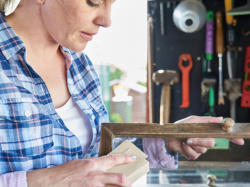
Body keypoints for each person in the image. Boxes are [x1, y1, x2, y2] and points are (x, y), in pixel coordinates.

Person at [0, 0, 244, 187]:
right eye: (94, 1)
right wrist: (46, 180)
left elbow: (97, 163)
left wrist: (167, 139)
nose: (107, 20)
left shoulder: (80, 65)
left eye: (112, 4)